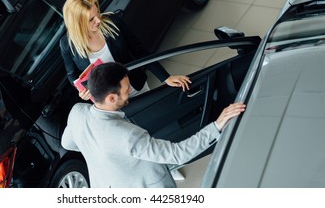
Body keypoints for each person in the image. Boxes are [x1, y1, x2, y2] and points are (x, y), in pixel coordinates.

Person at [61, 62, 246, 188]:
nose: (130, 91)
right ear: (111, 98)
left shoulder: (77, 113)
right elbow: (177, 154)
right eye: (126, 90)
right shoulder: (127, 136)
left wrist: (98, 151)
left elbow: (67, 143)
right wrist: (217, 124)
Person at [60, 0, 191, 101]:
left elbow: (140, 51)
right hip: (109, 102)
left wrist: (165, 77)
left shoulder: (113, 22)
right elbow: (73, 75)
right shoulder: (67, 45)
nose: (98, 20)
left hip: (134, 87)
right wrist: (82, 90)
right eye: (91, 19)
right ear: (77, 24)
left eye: (97, 13)